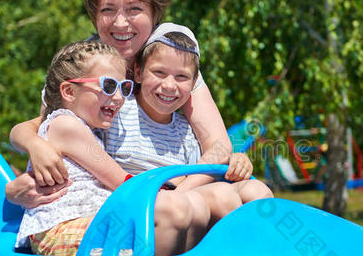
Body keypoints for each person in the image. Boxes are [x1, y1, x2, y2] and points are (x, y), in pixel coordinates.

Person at [6, 0, 239, 207]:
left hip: (165, 189)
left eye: (134, 9)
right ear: (95, 16)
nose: (120, 22)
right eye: (108, 9)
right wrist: (34, 145)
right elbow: (42, 125)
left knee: (252, 192)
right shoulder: (85, 63)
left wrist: (177, 193)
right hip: (111, 196)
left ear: (154, 13)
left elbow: (219, 146)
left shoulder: (169, 62)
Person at [104, 23, 273, 234]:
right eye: (159, 72)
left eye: (181, 77)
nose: (169, 85)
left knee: (258, 191)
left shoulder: (186, 132)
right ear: (138, 72)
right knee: (222, 197)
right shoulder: (118, 111)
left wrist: (236, 163)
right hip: (136, 204)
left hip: (179, 198)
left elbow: (204, 171)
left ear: (194, 83)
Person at [15, 40, 133, 256]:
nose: (118, 97)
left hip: (82, 222)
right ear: (69, 91)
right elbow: (120, 181)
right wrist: (164, 192)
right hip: (60, 229)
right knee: (137, 240)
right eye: (108, 86)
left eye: (125, 88)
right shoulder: (65, 125)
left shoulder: (88, 129)